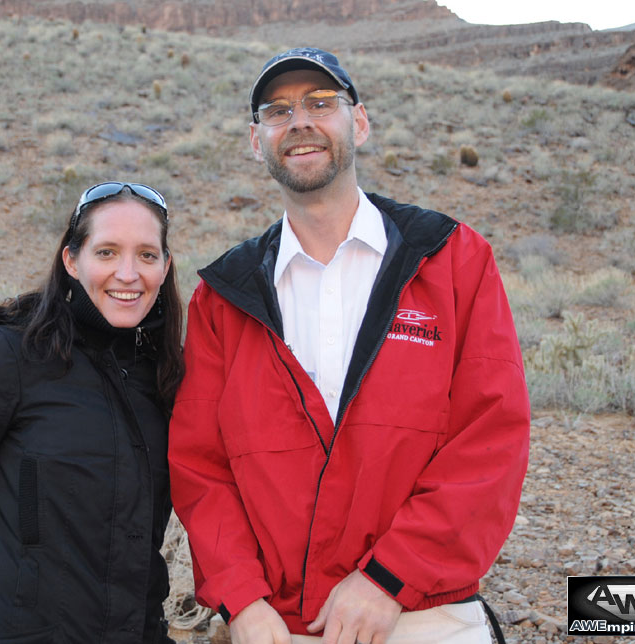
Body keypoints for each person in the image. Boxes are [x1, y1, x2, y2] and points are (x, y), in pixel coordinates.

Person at [168, 48, 530, 644]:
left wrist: (389, 579)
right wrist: (242, 602)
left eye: (320, 103)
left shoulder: (453, 259)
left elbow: (492, 436)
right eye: (277, 111)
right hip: (274, 627)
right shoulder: (224, 299)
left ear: (358, 123)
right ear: (256, 141)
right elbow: (201, 467)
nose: (300, 122)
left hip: (421, 614)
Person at [0, 182, 184, 644]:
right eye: (107, 252)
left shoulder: (165, 375)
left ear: (165, 267)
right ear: (72, 261)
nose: (128, 274)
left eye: (147, 256)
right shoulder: (8, 356)